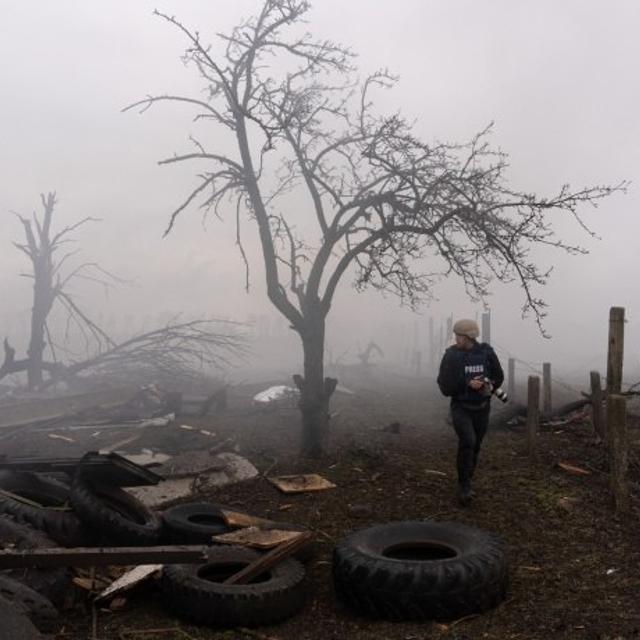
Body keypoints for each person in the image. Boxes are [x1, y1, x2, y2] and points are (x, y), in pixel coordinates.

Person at [437, 318, 505, 506]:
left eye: (459, 335)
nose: (456, 338)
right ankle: (464, 485)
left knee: (475, 446)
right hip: (460, 407)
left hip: (482, 407)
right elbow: (444, 386)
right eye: (456, 335)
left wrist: (487, 383)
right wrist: (466, 383)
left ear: (469, 336)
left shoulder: (486, 353)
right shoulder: (450, 356)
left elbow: (499, 377)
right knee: (468, 441)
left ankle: (468, 477)